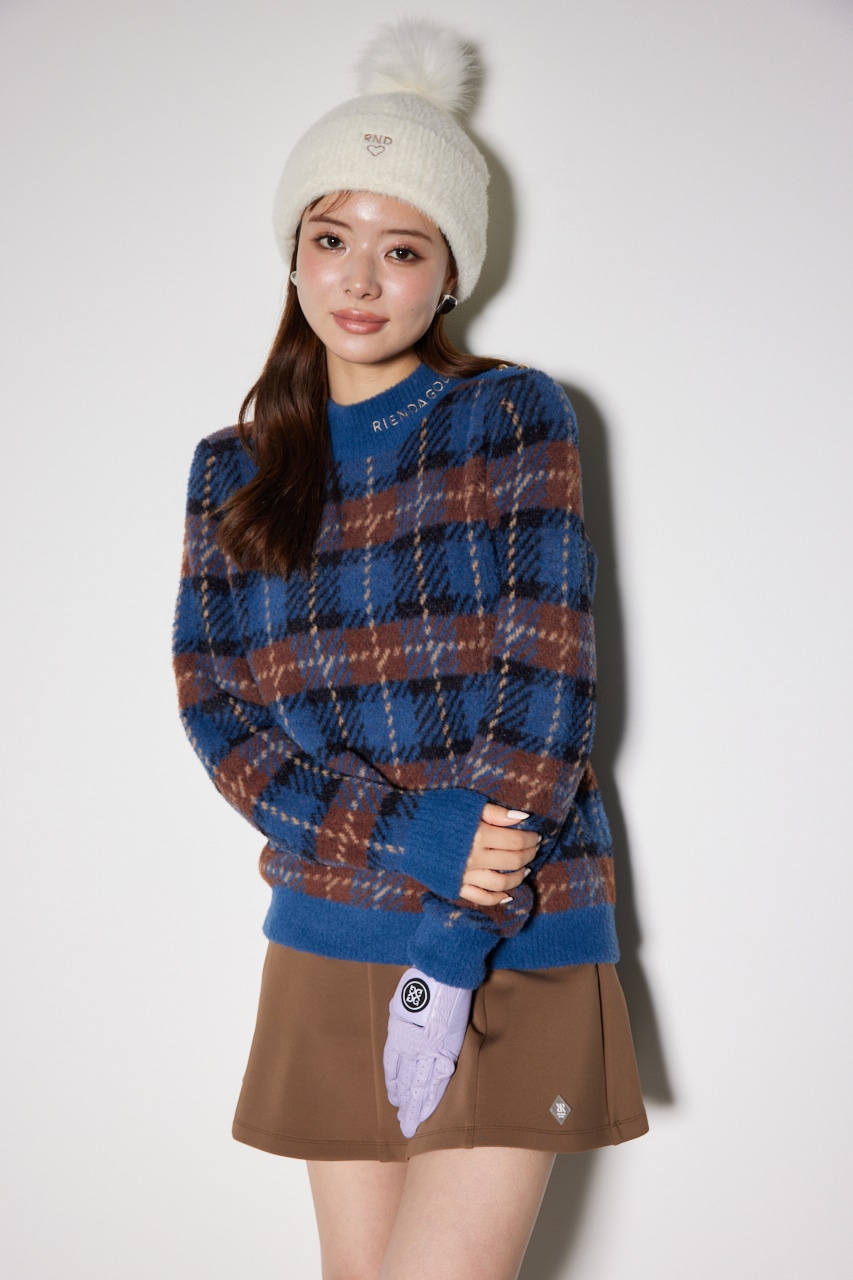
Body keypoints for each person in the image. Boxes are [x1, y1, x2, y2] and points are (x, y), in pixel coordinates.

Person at [173, 20, 647, 1280]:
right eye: (332, 238)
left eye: (403, 248)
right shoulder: (230, 472)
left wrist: (453, 928)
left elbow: (549, 679)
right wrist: (401, 835)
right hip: (332, 921)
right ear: (294, 254)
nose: (361, 278)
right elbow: (218, 714)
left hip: (509, 922)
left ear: (448, 278)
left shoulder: (508, 414)